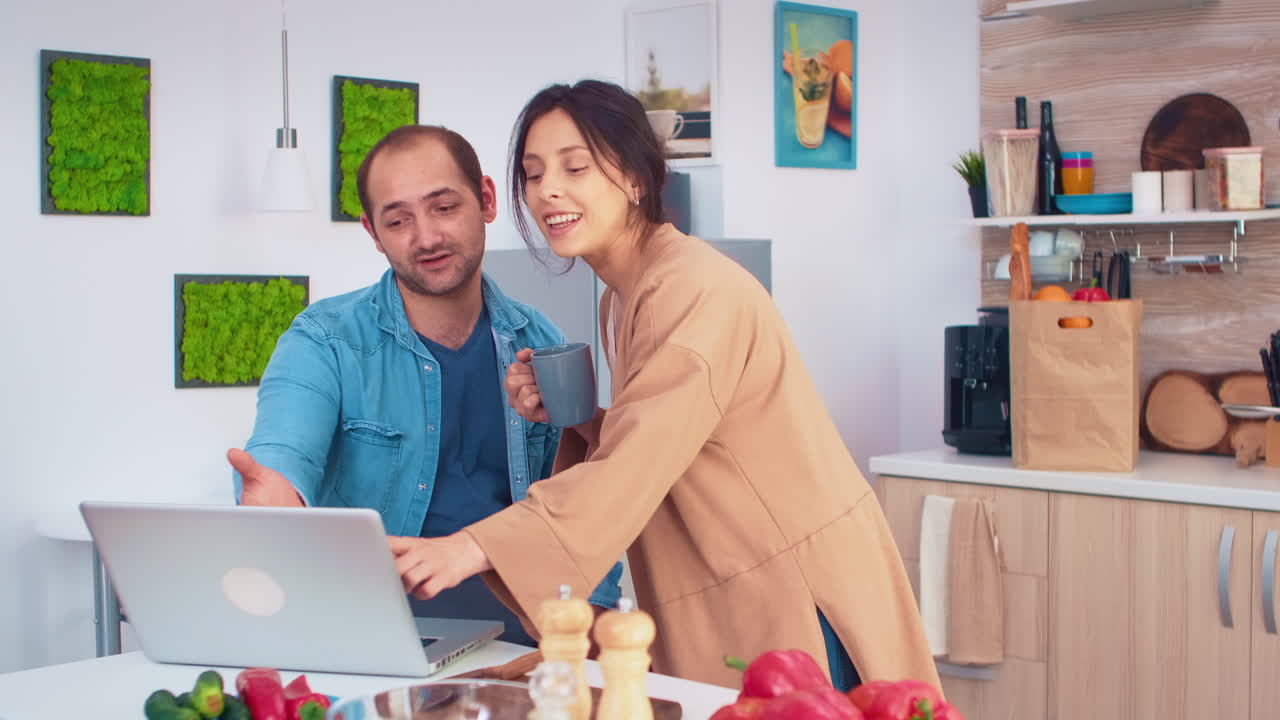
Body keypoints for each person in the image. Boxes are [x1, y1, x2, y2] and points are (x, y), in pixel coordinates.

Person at [376, 80, 939, 691]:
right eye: (534, 174)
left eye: (575, 167)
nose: (548, 191)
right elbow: (673, 438)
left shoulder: (693, 287)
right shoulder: (622, 297)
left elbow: (637, 462)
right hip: (733, 580)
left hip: (796, 591)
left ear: (635, 177)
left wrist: (469, 547)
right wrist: (578, 417)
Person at [227, 124, 623, 646]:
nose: (427, 237)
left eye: (444, 207)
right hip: (375, 638)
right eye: (398, 221)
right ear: (373, 233)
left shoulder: (539, 340)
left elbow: (579, 499)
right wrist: (273, 498)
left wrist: (595, 620)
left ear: (486, 200)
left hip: (526, 639)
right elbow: (283, 452)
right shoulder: (324, 341)